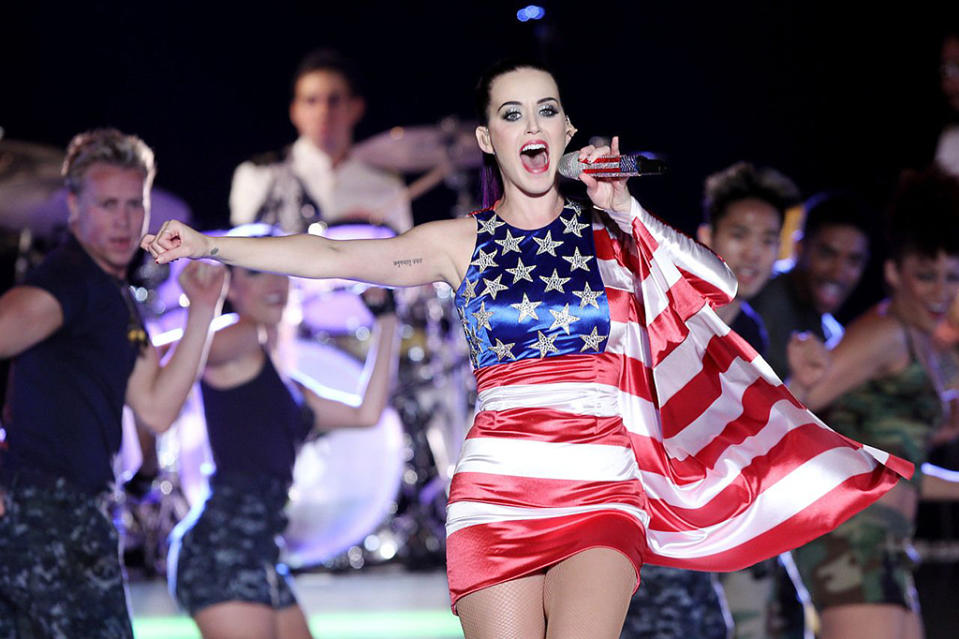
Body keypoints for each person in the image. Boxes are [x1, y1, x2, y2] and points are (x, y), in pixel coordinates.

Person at [144, 59, 911, 639]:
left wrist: (625, 205)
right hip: (497, 488)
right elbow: (333, 258)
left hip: (601, 488)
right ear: (488, 139)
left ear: (565, 131)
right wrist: (212, 243)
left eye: (545, 109)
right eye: (512, 113)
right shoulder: (457, 242)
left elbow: (713, 283)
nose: (531, 123)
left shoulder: (611, 233)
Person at [0, 128, 226, 638]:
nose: (124, 220)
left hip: (75, 518)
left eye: (134, 204)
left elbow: (156, 409)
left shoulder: (111, 293)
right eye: (107, 204)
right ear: (73, 205)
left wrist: (203, 313)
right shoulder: (66, 284)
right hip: (45, 519)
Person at [166, 224, 398, 639]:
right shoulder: (242, 335)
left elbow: (367, 413)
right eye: (256, 272)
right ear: (230, 289)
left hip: (261, 553)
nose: (274, 282)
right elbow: (171, 353)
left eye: (278, 269)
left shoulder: (286, 382)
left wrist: (386, 322)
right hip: (223, 550)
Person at [622, 161, 801, 639]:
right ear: (706, 236)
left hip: (704, 537)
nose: (755, 252)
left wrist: (803, 383)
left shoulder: (751, 332)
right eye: (740, 234)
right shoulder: (666, 313)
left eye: (768, 239)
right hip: (648, 534)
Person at [788, 167, 959, 639]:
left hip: (888, 546)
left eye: (951, 278)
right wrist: (801, 377)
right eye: (925, 276)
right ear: (892, 273)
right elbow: (790, 406)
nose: (940, 292)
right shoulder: (884, 333)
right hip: (851, 543)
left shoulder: (923, 343)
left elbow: (905, 451)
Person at [229, 49, 412, 233]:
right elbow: (243, 253)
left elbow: (403, 257)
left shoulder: (386, 180)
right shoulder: (260, 174)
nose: (323, 112)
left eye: (334, 100)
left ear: (356, 108)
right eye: (311, 101)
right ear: (295, 111)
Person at [751, 191, 871, 378]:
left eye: (853, 261)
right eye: (827, 254)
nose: (839, 273)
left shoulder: (833, 335)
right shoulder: (754, 295)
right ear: (798, 248)